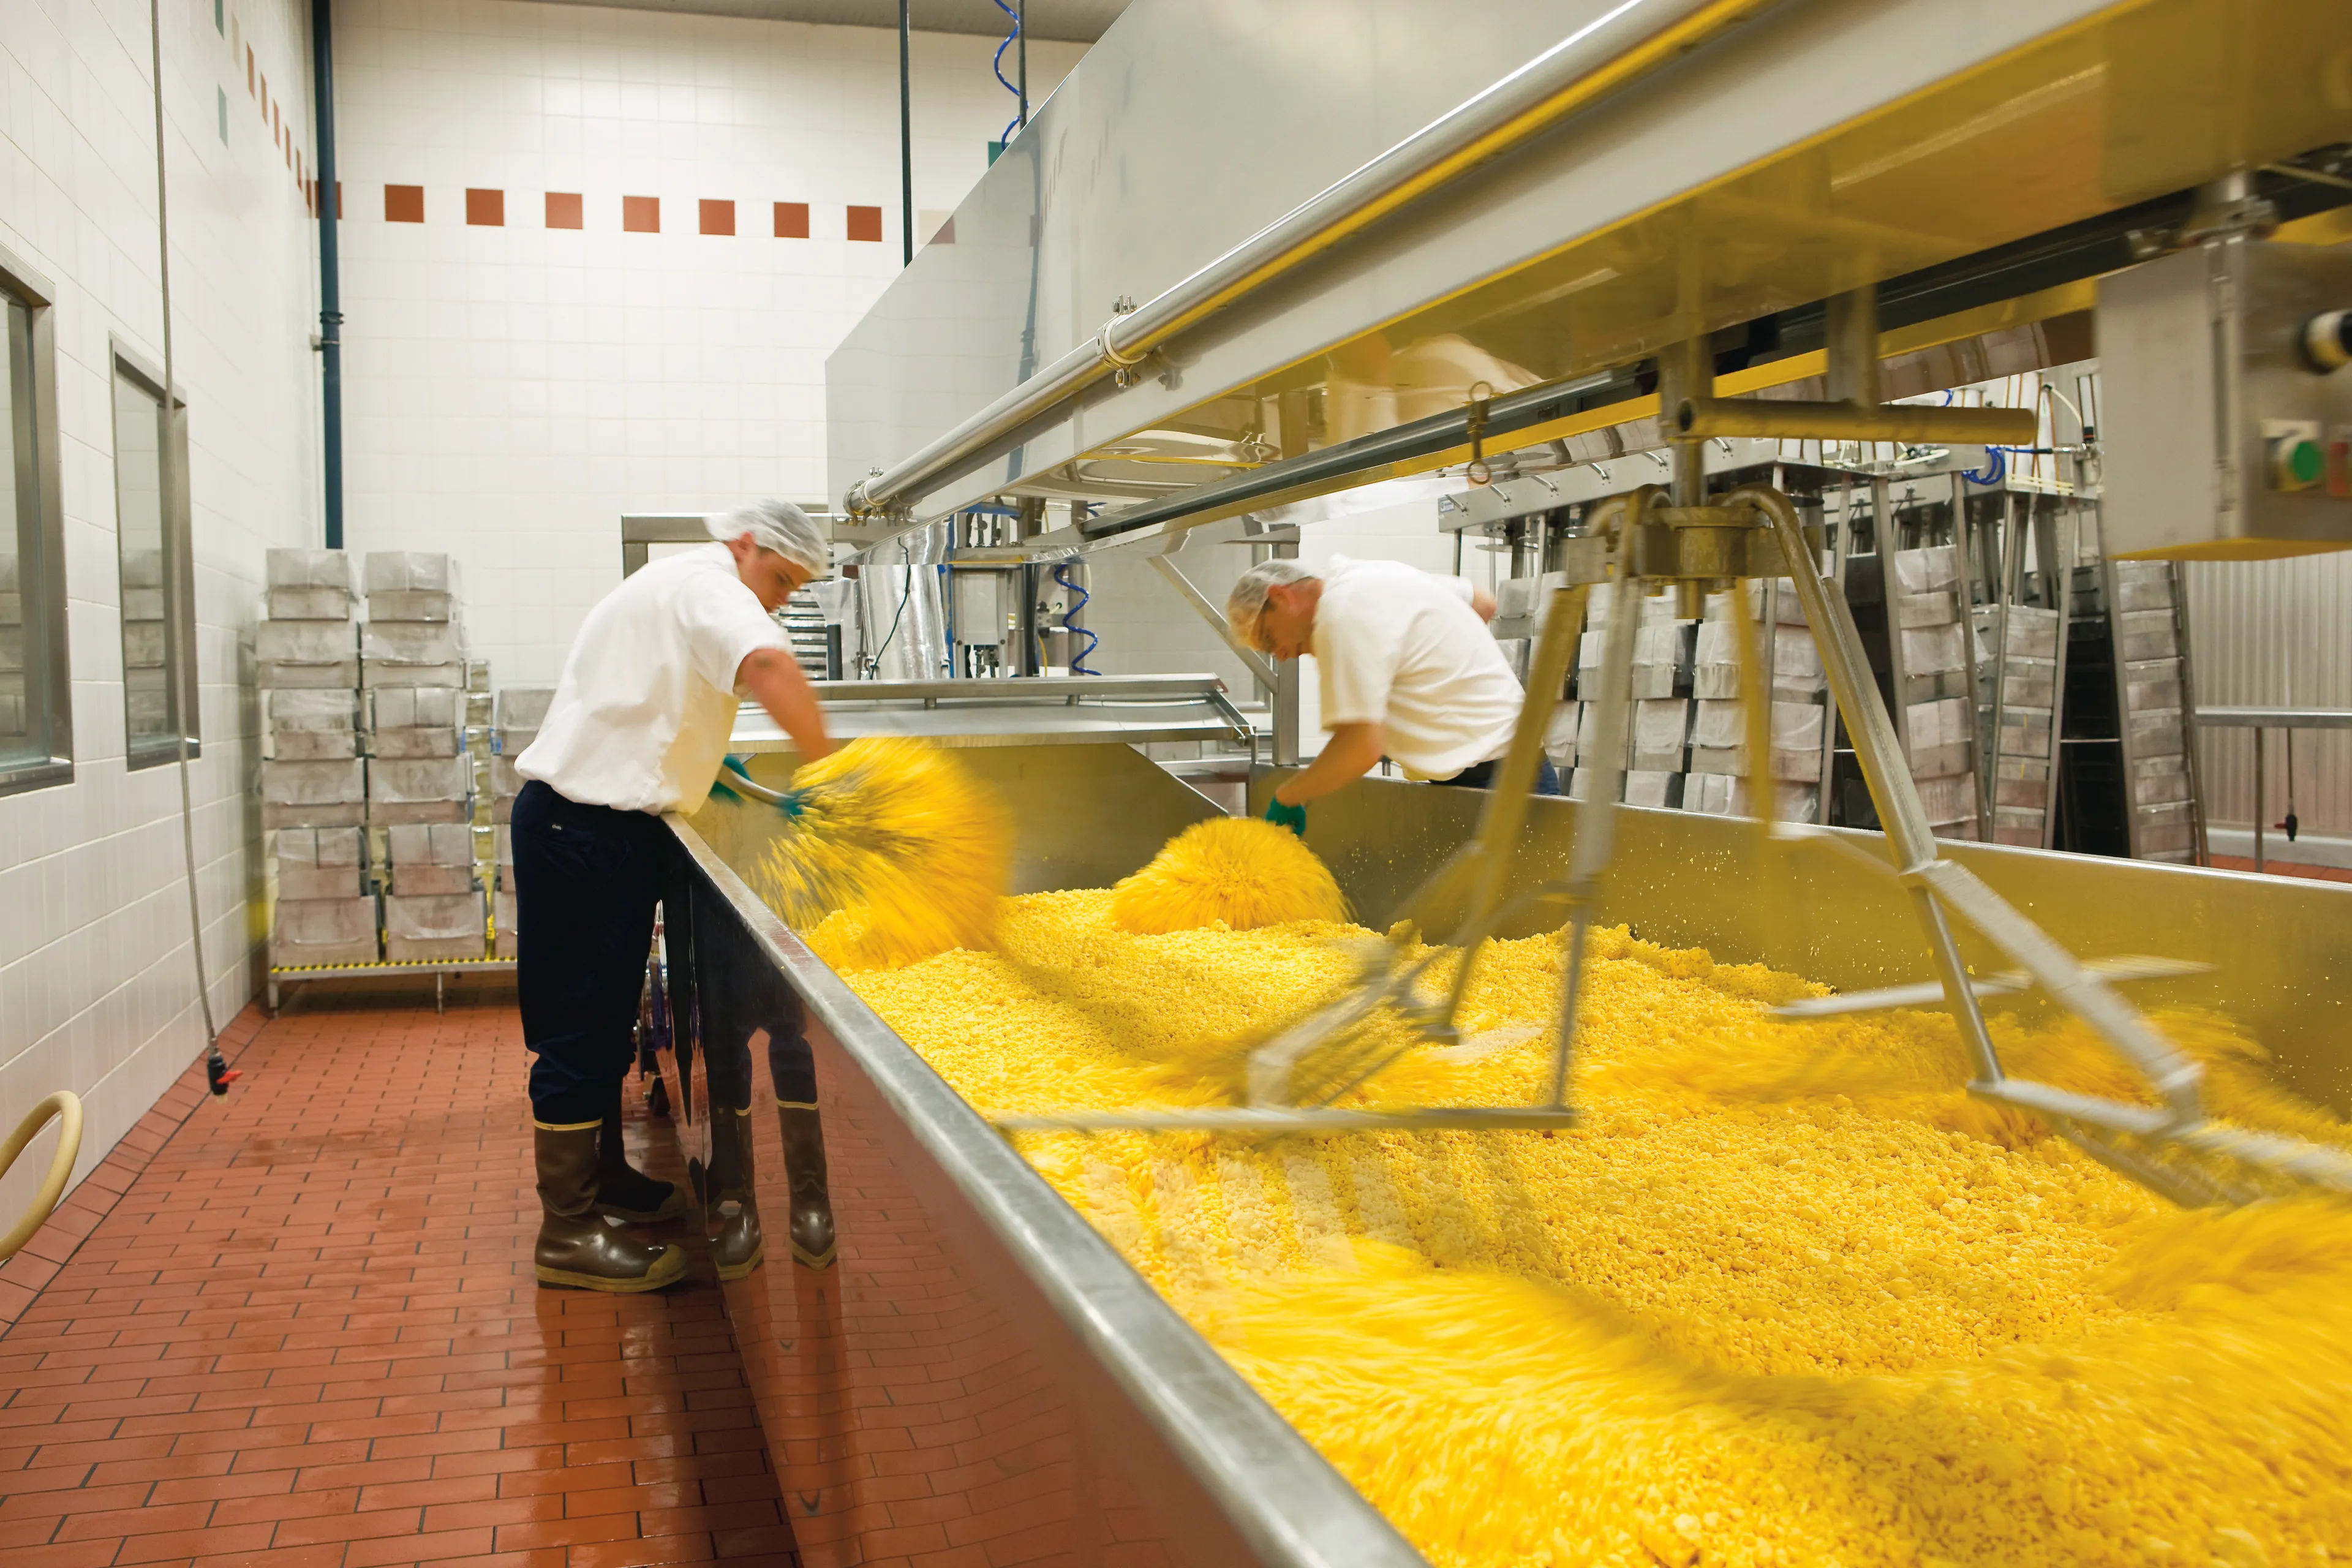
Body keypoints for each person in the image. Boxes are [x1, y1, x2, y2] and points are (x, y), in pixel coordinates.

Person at [512, 500, 834, 1292]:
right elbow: (768, 668)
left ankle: (604, 1180)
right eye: (782, 578)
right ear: (746, 544)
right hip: (585, 832)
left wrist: (711, 770)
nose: (782, 598)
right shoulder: (713, 586)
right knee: (581, 1031)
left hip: (594, 828)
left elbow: (650, 704)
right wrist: (840, 770)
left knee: (605, 1020)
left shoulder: (673, 585)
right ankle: (568, 1232)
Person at [1226, 556, 1558, 834]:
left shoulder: (1340, 615)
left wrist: (1288, 797)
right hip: (1504, 772)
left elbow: (1360, 746)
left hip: (1504, 786)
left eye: (1270, 639)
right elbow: (1482, 602)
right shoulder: (1372, 578)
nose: (1281, 655)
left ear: (1282, 597)